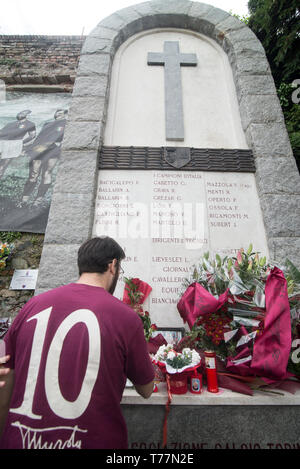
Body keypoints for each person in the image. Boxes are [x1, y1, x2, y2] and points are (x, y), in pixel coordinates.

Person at [0, 236, 154, 449]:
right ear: (113, 266)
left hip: (22, 440)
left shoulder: (33, 305)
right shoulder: (126, 317)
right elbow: (146, 389)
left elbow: (4, 373)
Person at [21, 109, 68, 206]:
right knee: (33, 174)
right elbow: (39, 137)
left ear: (65, 115)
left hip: (54, 150)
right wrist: (30, 148)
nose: (58, 114)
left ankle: (38, 201)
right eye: (57, 112)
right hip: (39, 149)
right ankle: (24, 200)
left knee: (47, 173)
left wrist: (59, 147)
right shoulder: (47, 124)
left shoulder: (67, 123)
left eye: (61, 112)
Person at [0, 109, 36, 178]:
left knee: (4, 163)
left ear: (27, 115)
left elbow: (32, 135)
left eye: (23, 113)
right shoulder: (10, 124)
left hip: (13, 144)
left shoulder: (30, 124)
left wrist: (21, 143)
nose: (20, 114)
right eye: (19, 113)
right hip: (2, 142)